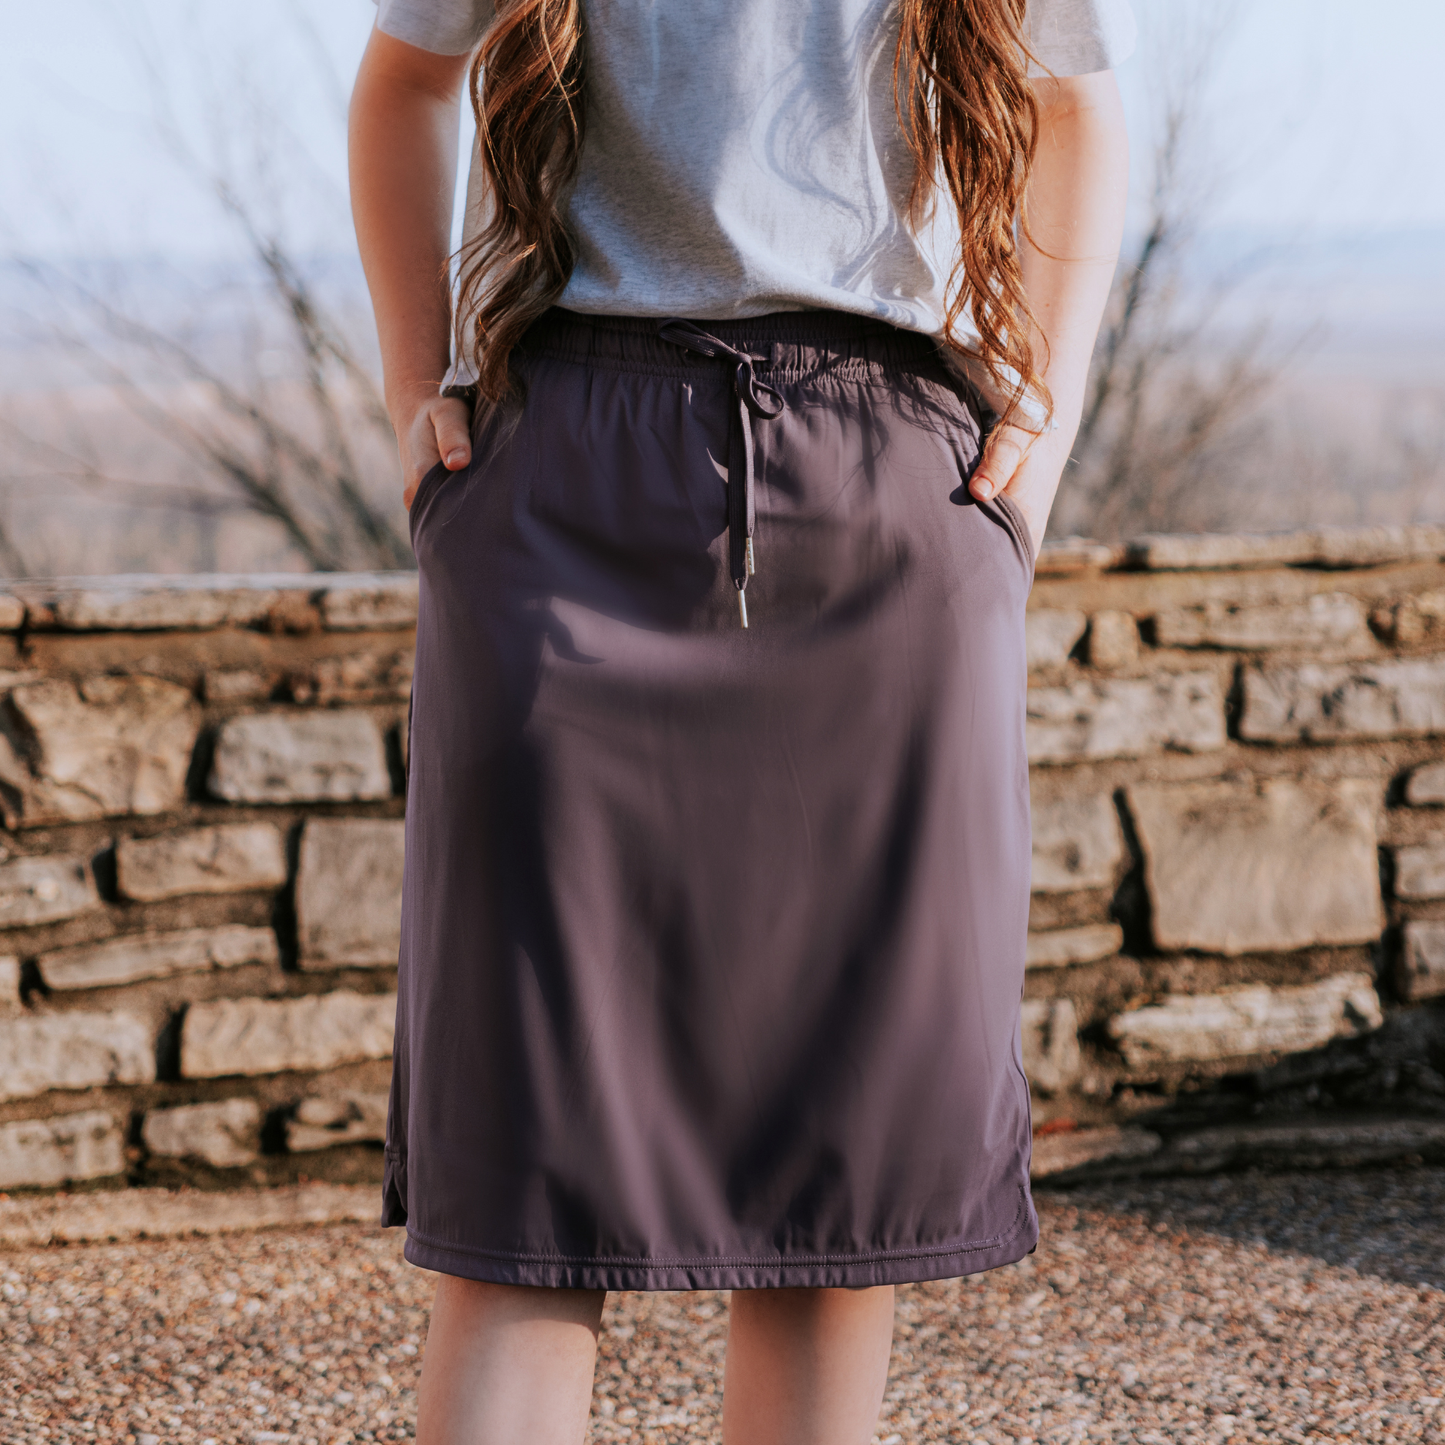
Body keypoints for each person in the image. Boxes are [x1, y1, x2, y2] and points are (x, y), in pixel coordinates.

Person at [349, 0, 1132, 1439]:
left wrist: (1050, 409)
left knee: (836, 1198)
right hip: (565, 491)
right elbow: (403, 83)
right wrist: (415, 391)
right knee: (523, 1199)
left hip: (882, 506)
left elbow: (1072, 107)